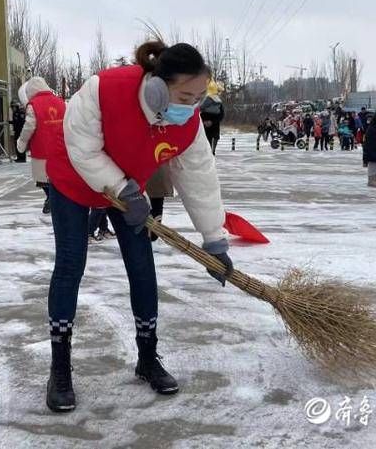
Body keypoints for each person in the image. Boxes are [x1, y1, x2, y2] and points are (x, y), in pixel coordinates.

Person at [42, 41, 233, 412]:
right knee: (70, 266)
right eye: (185, 95)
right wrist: (122, 189)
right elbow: (82, 147)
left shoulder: (187, 122)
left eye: (199, 97)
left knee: (143, 268)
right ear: (159, 85)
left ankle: (148, 358)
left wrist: (214, 239)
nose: (192, 106)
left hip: (129, 189)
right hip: (74, 182)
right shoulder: (105, 88)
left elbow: (198, 176)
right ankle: (60, 368)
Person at [16, 77, 66, 215]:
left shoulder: (33, 105)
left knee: (43, 178)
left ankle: (51, 198)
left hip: (42, 146)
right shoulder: (60, 102)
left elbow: (29, 126)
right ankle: (55, 199)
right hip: (61, 146)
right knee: (58, 176)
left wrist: (22, 142)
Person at [200, 81, 225, 155]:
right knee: (210, 138)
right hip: (208, 124)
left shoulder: (215, 102)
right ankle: (210, 152)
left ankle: (211, 152)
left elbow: (221, 115)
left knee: (212, 138)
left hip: (212, 124)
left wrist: (211, 122)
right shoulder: (217, 101)